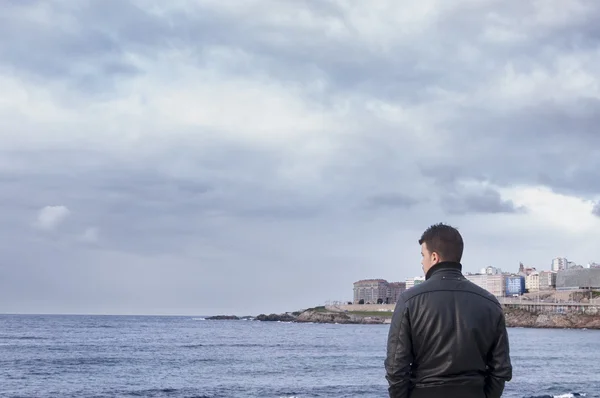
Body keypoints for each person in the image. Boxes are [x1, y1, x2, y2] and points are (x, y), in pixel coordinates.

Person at [385, 223, 512, 398]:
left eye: (423, 255)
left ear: (434, 257)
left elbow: (396, 368)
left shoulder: (409, 300)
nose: (422, 262)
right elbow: (500, 369)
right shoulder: (490, 303)